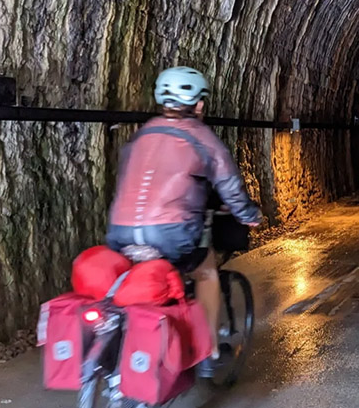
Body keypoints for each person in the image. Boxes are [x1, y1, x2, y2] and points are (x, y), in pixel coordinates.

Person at [105, 66, 261, 377]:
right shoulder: (202, 137)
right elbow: (228, 184)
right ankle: (209, 351)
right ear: (199, 104)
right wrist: (248, 215)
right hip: (171, 233)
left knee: (137, 278)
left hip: (120, 231)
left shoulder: (141, 135)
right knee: (205, 272)